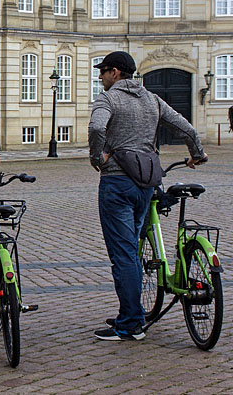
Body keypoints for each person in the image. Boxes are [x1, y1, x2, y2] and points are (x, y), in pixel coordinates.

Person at [88, 51, 206, 341]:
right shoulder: (152, 99)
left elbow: (95, 127)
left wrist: (97, 158)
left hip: (117, 182)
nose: (100, 76)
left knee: (124, 254)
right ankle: (131, 311)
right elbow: (185, 127)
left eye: (102, 71)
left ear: (115, 72)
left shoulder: (109, 98)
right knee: (134, 250)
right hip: (146, 183)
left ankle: (130, 323)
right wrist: (197, 153)